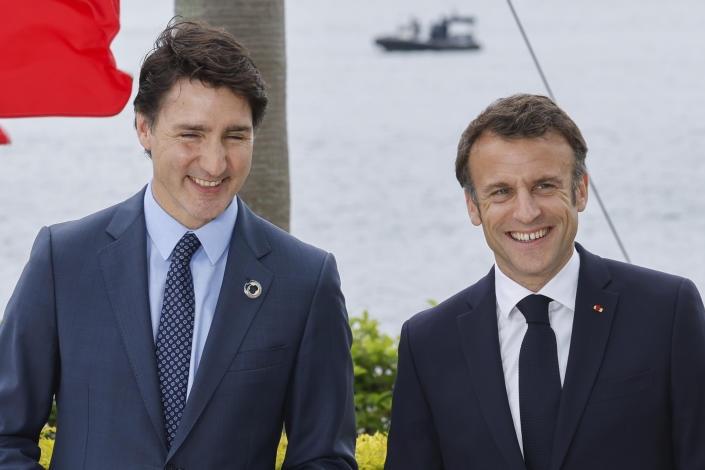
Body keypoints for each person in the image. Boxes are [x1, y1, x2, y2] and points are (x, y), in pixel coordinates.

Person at [0, 20, 357, 469]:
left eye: (236, 136)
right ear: (144, 129)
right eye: (191, 134)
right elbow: (4, 436)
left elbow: (324, 458)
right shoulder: (63, 260)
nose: (215, 161)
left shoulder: (305, 280)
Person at [385, 94, 705, 469]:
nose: (527, 212)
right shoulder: (428, 343)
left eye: (544, 186)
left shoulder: (667, 312)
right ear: (473, 206)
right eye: (501, 192)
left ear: (580, 190)